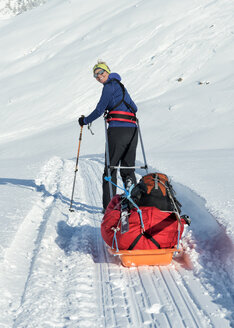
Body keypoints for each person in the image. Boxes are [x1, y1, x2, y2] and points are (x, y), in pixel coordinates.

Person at [78, 61, 138, 211]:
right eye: (95, 75)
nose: (98, 76)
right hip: (133, 131)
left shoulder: (108, 86)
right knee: (127, 168)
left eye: (100, 72)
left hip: (117, 130)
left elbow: (99, 109)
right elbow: (135, 107)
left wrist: (84, 121)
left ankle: (109, 208)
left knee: (110, 168)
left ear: (107, 71)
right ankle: (134, 203)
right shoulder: (121, 87)